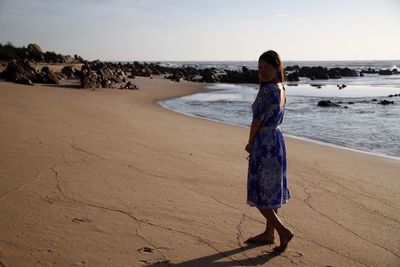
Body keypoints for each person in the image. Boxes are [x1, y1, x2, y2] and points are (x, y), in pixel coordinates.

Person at [244, 50, 294, 253]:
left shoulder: (267, 91)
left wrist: (250, 142)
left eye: (266, 68)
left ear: (277, 68)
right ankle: (269, 233)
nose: (262, 72)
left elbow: (257, 120)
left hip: (265, 142)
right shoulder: (281, 88)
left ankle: (282, 231)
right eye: (260, 68)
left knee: (261, 192)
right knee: (272, 189)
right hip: (277, 141)